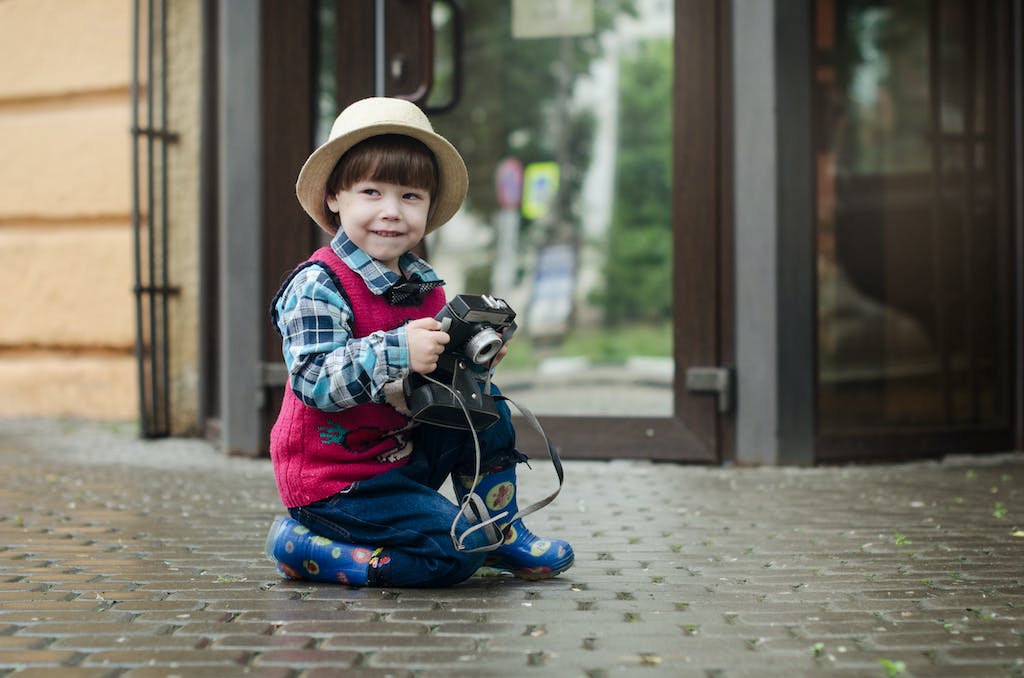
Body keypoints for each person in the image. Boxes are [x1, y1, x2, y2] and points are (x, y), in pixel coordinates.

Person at [264, 97, 574, 588]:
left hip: (402, 461)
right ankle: (304, 548)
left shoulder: (426, 289)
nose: (391, 211)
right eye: (371, 191)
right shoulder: (319, 283)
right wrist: (397, 350)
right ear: (334, 197)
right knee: (453, 557)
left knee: (486, 404)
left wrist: (471, 362)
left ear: (429, 209)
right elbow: (312, 381)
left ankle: (499, 524)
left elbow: (431, 386)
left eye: (410, 196)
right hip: (337, 482)